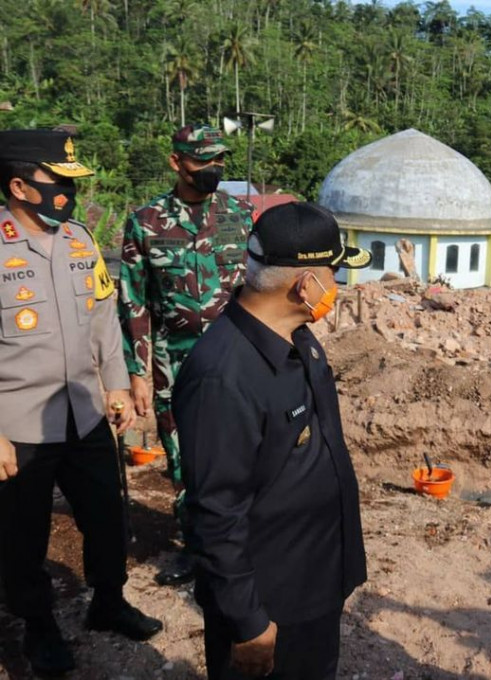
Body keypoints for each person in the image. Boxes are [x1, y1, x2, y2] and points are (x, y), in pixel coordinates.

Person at [173, 202, 370, 680]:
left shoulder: (296, 337)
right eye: (334, 274)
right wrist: (249, 623)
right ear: (305, 285)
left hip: (314, 578)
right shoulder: (223, 376)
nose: (339, 286)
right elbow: (216, 512)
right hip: (271, 604)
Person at [0, 129, 162, 676]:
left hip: (86, 411)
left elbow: (102, 320)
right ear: (18, 186)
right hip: (18, 425)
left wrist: (116, 383)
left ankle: (108, 602)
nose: (67, 193)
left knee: (106, 517)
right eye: (57, 181)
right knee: (22, 537)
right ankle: (39, 628)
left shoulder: (79, 239)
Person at [118, 124, 254, 587]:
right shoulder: (146, 222)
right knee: (183, 456)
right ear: (177, 162)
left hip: (236, 358)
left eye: (219, 159)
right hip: (173, 362)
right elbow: (133, 302)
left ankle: (245, 544)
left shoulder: (241, 215)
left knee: (243, 449)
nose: (213, 168)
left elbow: (259, 289)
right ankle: (197, 548)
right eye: (203, 160)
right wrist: (137, 373)